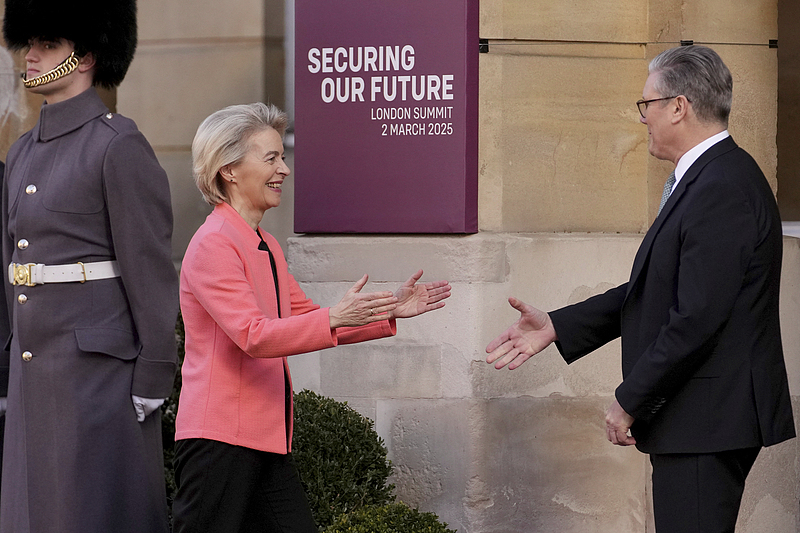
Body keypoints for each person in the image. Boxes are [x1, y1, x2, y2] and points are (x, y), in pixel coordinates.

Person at [485, 45, 795, 533]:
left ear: (679, 106)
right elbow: (656, 288)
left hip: (706, 420)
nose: (643, 117)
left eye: (647, 104)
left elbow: (695, 317)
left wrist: (630, 399)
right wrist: (558, 326)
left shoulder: (721, 186)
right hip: (702, 419)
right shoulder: (708, 177)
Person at [173, 102, 451, 533]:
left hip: (266, 440)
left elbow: (310, 319)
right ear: (228, 170)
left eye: (281, 157)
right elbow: (255, 336)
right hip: (220, 441)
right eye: (271, 158)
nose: (284, 169)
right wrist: (337, 316)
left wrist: (387, 309)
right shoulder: (213, 243)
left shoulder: (265, 243)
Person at [1, 1, 179, 532]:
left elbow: (149, 271)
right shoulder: (24, 152)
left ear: (86, 57)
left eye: (47, 45)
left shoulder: (118, 145)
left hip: (97, 373)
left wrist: (155, 371)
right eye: (29, 44)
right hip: (35, 366)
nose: (30, 57)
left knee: (91, 510)